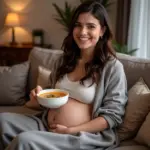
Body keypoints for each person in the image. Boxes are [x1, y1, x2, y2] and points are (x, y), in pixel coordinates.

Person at [0, 0, 128, 149]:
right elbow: (49, 95)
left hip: (81, 135)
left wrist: (70, 130)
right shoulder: (63, 60)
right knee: (2, 121)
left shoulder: (112, 67)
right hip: (46, 124)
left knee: (24, 141)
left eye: (91, 26)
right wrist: (39, 96)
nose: (82, 32)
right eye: (78, 25)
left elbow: (112, 117)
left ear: (102, 31)